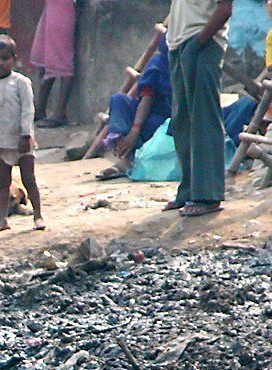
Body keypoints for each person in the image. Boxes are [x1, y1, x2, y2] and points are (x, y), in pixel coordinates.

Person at [165, 0, 233, 217]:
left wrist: (200, 40)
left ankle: (208, 195)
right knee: (182, 122)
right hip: (179, 44)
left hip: (203, 42)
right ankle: (188, 190)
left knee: (204, 118)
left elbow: (224, 9)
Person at [0, 35, 44, 234]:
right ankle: (2, 219)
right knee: (3, 182)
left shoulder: (22, 83)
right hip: (1, 142)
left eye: (5, 58)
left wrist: (26, 135)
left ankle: (38, 214)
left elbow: (28, 110)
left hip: (21, 141)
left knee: (28, 178)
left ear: (14, 59)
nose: (0, 63)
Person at [97, 36, 173, 180]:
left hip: (166, 123)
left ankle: (130, 160)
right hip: (144, 116)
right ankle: (125, 156)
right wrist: (134, 130)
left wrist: (135, 131)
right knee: (119, 100)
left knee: (156, 123)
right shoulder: (158, 64)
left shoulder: (186, 65)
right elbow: (147, 97)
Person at [31, 0, 77, 128]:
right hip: (51, 6)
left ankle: (60, 113)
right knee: (43, 56)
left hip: (63, 6)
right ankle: (40, 109)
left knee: (62, 58)